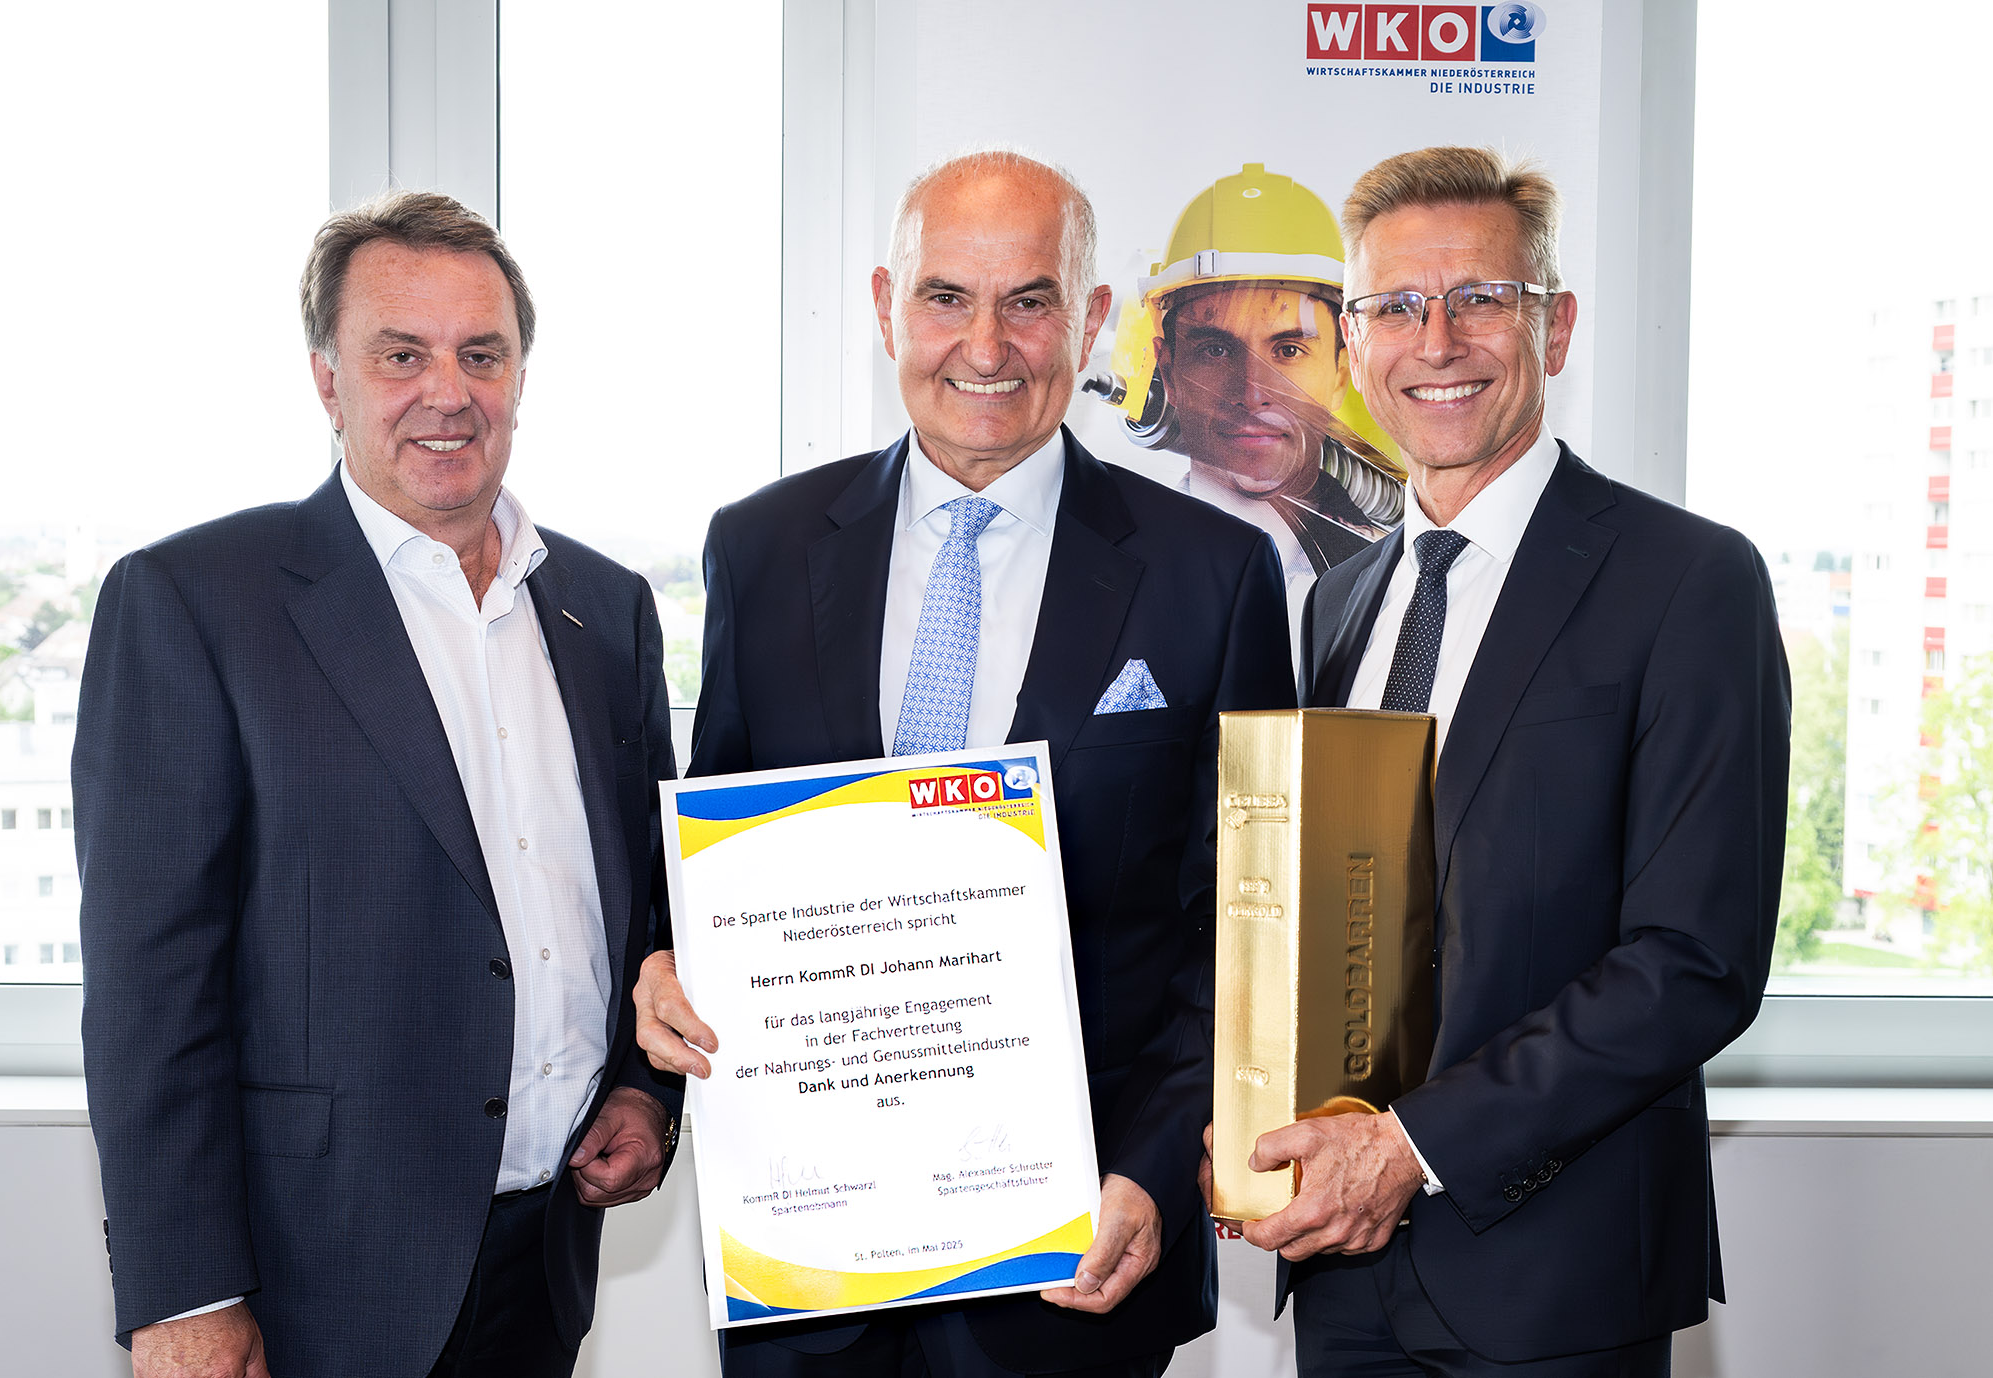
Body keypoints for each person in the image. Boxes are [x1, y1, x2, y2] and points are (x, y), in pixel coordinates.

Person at [635, 149, 1295, 1377]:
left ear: (1090, 321)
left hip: (1077, 1258)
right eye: (947, 297)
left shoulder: (1215, 574)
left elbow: (1248, 930)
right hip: (810, 1259)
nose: (986, 346)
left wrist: (1155, 1165)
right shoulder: (763, 549)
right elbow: (711, 854)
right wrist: (671, 966)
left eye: (1029, 301)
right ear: (888, 306)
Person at [75, 190, 681, 1378]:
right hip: (312, 1281)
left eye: (481, 354)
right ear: (327, 379)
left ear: (520, 375)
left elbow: (645, 904)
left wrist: (640, 1088)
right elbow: (151, 994)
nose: (447, 392)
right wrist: (187, 1296)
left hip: (546, 1260)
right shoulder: (195, 604)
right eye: (401, 355)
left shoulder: (606, 611)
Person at [1242, 146, 1791, 1374]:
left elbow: (1693, 961)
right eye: (1397, 306)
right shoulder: (1337, 602)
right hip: (1341, 1273)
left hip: (1555, 1283)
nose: (1437, 341)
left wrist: (1411, 1147)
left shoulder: (1688, 581)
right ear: (1353, 341)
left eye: (1480, 298)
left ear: (1558, 323)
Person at [1094, 164, 1406, 641]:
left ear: (1342, 373)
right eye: (1215, 350)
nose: (1253, 392)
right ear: (1168, 370)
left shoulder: (1403, 586)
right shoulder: (1105, 576)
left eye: (1289, 350)